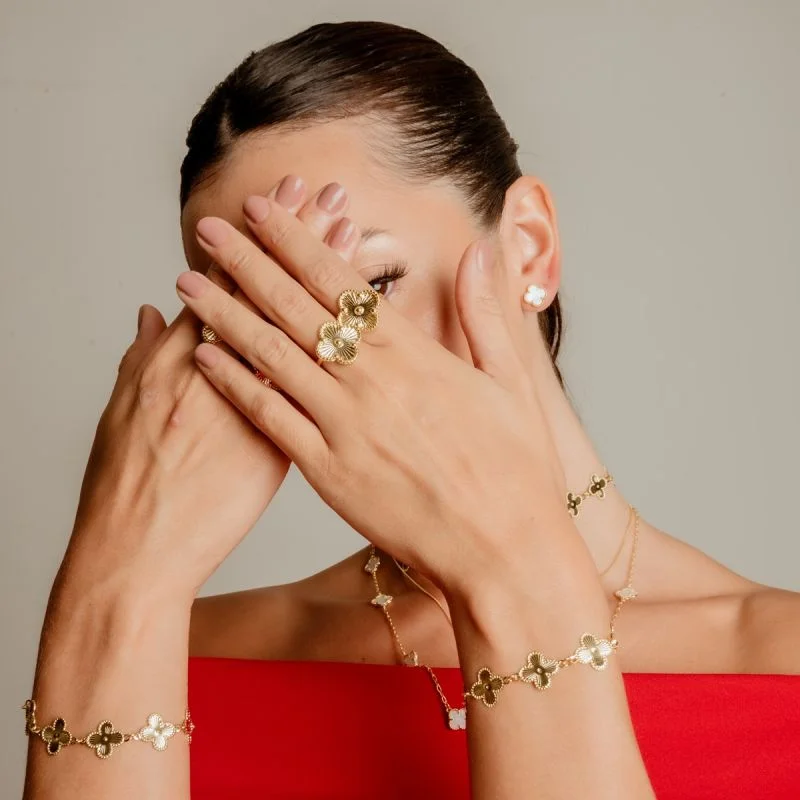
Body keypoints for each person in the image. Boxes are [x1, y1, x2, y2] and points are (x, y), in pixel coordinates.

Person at [22, 20, 800, 800]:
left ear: (529, 245)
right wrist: (114, 586)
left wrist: (514, 567)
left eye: (367, 287)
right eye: (250, 315)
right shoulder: (180, 654)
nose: (309, 355)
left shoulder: (779, 667)